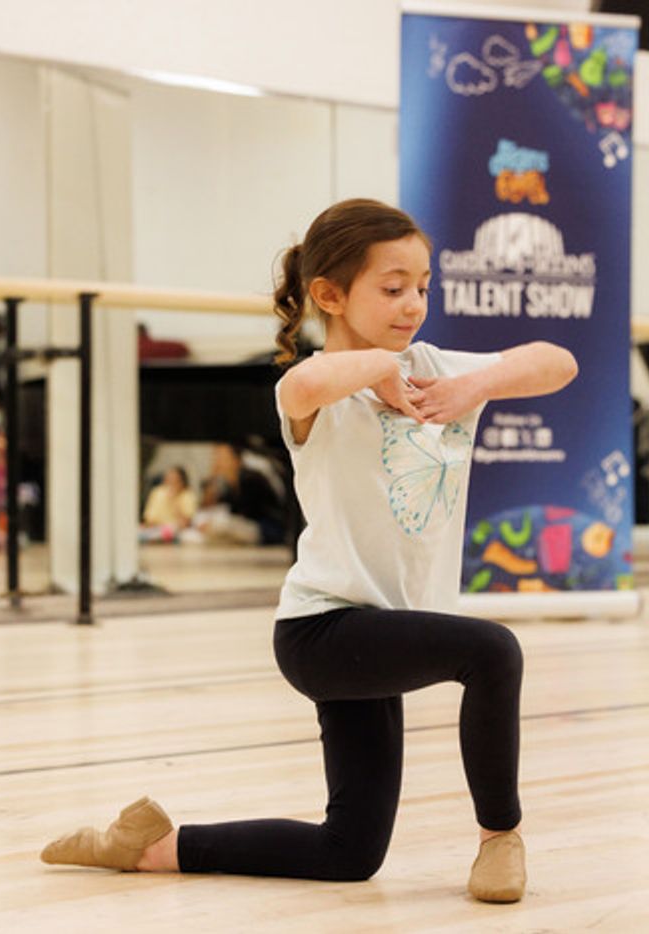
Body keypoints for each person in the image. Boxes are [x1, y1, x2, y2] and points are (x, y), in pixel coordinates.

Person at [39, 199, 579, 904]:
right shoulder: (319, 392)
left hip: (384, 631)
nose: (413, 303)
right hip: (325, 630)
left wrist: (474, 384)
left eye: (423, 285)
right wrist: (376, 368)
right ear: (330, 294)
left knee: (348, 852)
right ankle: (500, 837)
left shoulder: (439, 368)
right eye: (392, 288)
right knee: (492, 651)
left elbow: (557, 361)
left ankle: (150, 845)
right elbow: (302, 383)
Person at [140, 466, 198, 542]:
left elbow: (185, 523)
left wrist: (173, 501)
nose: (170, 483)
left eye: (174, 480)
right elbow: (148, 518)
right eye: (168, 479)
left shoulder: (188, 495)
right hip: (155, 529)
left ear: (182, 481)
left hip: (177, 531)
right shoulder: (157, 492)